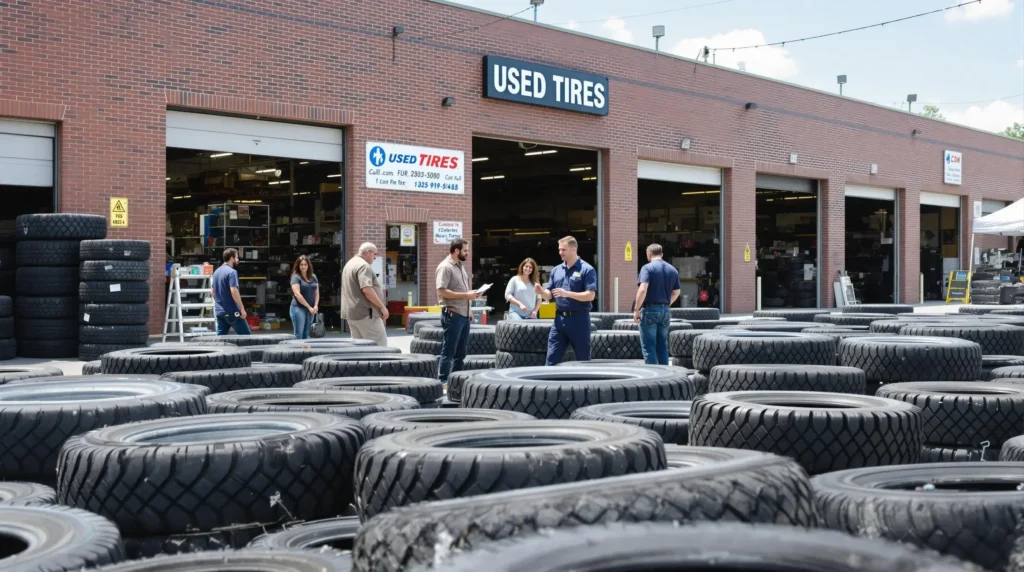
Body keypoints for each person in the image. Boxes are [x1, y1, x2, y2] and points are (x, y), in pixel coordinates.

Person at [536, 236, 597, 365]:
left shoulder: (587, 269)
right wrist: (541, 292)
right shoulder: (556, 270)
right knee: (551, 360)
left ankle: (586, 385)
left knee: (583, 360)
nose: (560, 252)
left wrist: (567, 294)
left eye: (563, 250)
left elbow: (590, 295)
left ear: (573, 249)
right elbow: (550, 295)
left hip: (579, 320)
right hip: (559, 320)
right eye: (559, 249)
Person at [436, 238, 482, 384]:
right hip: (452, 314)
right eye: (465, 250)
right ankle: (443, 380)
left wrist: (470, 304)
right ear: (456, 250)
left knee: (461, 352)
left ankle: (457, 380)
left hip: (463, 314)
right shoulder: (445, 267)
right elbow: (441, 291)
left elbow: (462, 290)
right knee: (449, 351)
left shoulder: (460, 266)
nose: (468, 253)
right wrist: (466, 295)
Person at [633, 243, 680, 365]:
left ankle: (653, 377)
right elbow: (676, 292)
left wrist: (636, 309)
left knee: (649, 347)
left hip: (649, 310)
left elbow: (643, 289)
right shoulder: (673, 269)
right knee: (662, 346)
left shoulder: (647, 268)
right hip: (665, 311)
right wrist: (667, 304)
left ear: (649, 254)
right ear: (662, 254)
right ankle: (664, 375)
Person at [340, 242, 389, 347]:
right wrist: (382, 307)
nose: (375, 257)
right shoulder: (363, 266)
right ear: (367, 252)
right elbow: (367, 289)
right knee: (379, 346)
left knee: (360, 349)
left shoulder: (349, 264)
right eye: (374, 254)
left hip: (352, 314)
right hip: (366, 314)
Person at [211, 248, 250, 336]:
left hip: (219, 312)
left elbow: (212, 292)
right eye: (237, 257)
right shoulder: (232, 272)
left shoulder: (216, 272)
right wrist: (242, 308)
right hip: (232, 311)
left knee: (220, 339)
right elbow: (234, 291)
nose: (238, 260)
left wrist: (221, 303)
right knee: (246, 337)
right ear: (232, 258)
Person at [289, 255, 320, 340]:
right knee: (299, 334)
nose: (303, 266)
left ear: (308, 265)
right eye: (301, 265)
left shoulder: (313, 277)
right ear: (298, 266)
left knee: (306, 334)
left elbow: (316, 292)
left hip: (310, 309)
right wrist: (309, 307)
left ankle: (304, 352)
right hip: (298, 308)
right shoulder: (295, 277)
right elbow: (297, 295)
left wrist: (316, 305)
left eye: (305, 264)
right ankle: (295, 352)